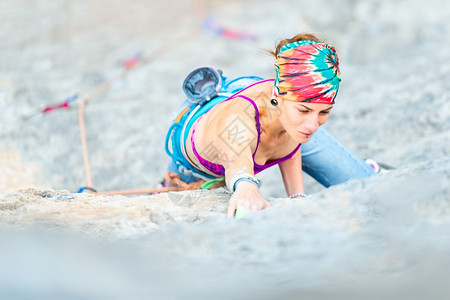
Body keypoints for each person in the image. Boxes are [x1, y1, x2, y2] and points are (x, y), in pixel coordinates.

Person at [164, 33, 375, 218]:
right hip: (206, 142)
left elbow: (291, 143)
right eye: (305, 110)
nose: (313, 125)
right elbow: (237, 159)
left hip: (274, 103)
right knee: (173, 204)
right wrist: (245, 188)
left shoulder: (292, 112)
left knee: (363, 180)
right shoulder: (238, 120)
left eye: (324, 112)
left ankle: (364, 164)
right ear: (277, 95)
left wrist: (298, 198)